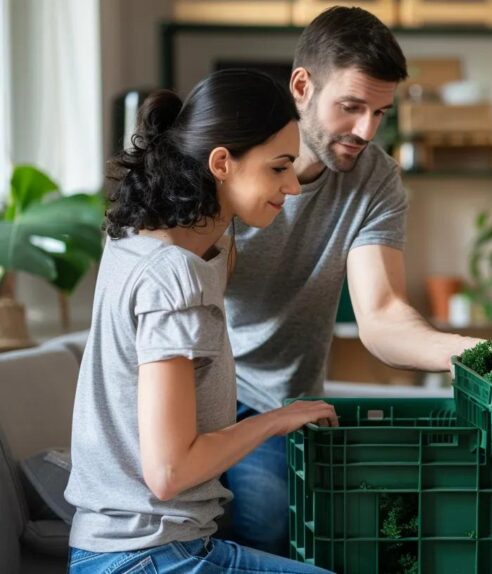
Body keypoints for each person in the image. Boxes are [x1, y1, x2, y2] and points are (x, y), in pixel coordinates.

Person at [220, 7, 483, 555]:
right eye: (351, 107)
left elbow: (384, 314)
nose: (366, 130)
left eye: (380, 113)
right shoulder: (231, 160)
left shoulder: (376, 178)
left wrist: (470, 352)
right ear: (301, 86)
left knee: (270, 523)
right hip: (199, 392)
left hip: (280, 402)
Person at [65, 69, 335, 573]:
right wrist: (275, 419)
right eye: (279, 168)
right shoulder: (172, 275)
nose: (294, 186)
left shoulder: (154, 240)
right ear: (221, 163)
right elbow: (170, 472)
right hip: (144, 556)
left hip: (144, 550)